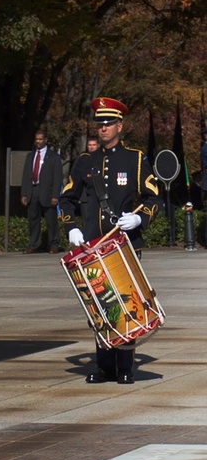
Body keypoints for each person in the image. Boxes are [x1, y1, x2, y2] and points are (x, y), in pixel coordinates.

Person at [60, 97, 161, 385]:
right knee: (100, 305)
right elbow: (66, 199)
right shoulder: (85, 161)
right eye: (99, 124)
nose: (102, 129)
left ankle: (125, 365)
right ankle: (104, 365)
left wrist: (139, 218)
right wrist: (72, 228)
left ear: (120, 126)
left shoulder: (135, 159)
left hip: (124, 244)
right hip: (92, 245)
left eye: (108, 124)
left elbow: (153, 197)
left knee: (126, 304)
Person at [20, 129, 63, 254]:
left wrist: (55, 195)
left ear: (45, 140)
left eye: (40, 139)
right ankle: (34, 244)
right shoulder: (30, 156)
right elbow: (26, 175)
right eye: (36, 139)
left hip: (47, 192)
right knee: (33, 219)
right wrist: (24, 193)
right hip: (32, 191)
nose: (38, 142)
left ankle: (54, 244)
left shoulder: (53, 157)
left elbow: (57, 177)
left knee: (51, 220)